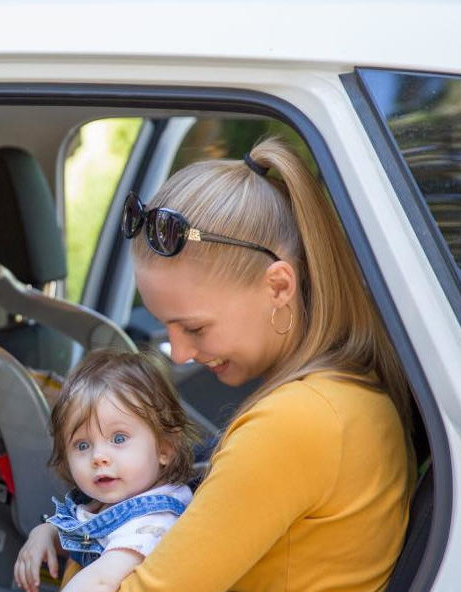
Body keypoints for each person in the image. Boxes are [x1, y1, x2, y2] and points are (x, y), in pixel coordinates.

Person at [109, 136, 415, 591]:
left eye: (193, 328)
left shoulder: (296, 423)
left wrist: (79, 555)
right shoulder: (345, 394)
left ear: (278, 287)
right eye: (166, 327)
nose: (179, 353)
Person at [13, 348, 199, 592]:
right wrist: (45, 533)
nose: (98, 457)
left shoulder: (154, 519)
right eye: (82, 445)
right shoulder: (113, 501)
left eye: (119, 439)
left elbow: (101, 579)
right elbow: (84, 535)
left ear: (165, 448)